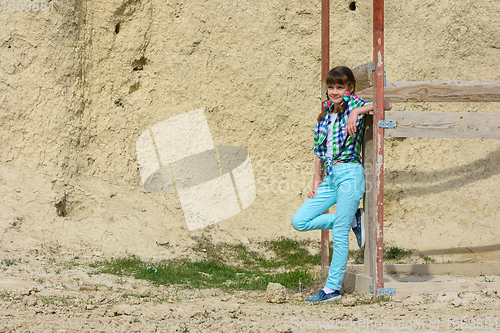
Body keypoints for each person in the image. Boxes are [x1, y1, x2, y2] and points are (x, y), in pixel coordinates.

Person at [291, 66, 392, 302]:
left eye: (340, 87)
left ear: (349, 88)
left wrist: (357, 113)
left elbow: (385, 104)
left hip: (350, 174)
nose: (334, 91)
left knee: (338, 233)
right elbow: (318, 151)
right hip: (330, 178)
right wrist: (316, 181)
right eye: (331, 87)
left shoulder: (354, 105)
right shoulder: (325, 115)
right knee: (300, 221)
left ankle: (331, 289)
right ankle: (353, 219)